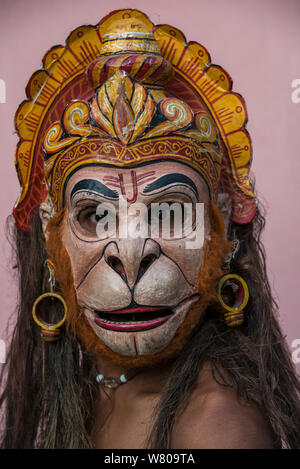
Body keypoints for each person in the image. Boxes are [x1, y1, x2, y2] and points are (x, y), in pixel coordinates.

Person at [0, 8, 299, 449]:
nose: (131, 249)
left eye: (170, 212)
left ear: (220, 232)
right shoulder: (96, 384)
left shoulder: (218, 423)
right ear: (51, 235)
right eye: (94, 215)